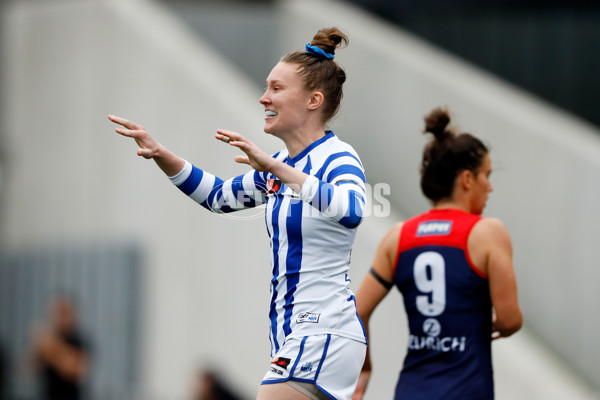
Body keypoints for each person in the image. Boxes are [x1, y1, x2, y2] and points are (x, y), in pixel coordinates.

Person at [109, 27, 367, 400]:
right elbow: (217, 196)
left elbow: (353, 211)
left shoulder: (336, 156)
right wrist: (161, 154)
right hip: (298, 334)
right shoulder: (280, 164)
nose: (263, 98)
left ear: (314, 100)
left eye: (276, 88)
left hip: (323, 330)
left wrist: (276, 170)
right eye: (266, 87)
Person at [352, 107, 523, 400]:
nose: (490, 186)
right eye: (487, 175)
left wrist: (364, 368)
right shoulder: (488, 233)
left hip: (410, 391)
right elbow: (510, 320)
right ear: (467, 179)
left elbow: (357, 313)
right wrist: (496, 324)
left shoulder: (398, 237)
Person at [30, 294, 90, 400]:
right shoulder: (46, 337)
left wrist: (53, 348)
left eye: (63, 313)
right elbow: (30, 369)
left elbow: (76, 371)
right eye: (56, 313)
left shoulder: (78, 341)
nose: (59, 318)